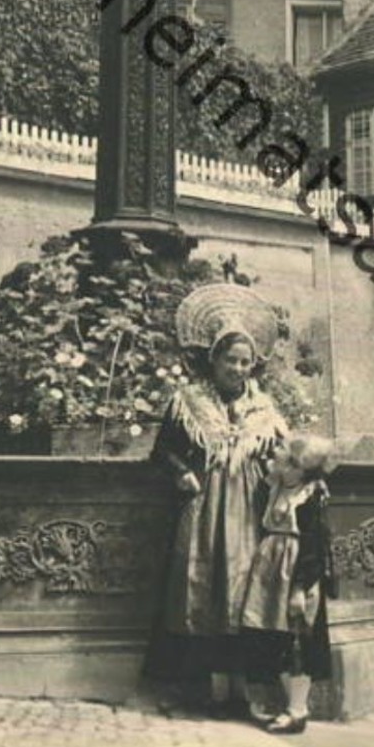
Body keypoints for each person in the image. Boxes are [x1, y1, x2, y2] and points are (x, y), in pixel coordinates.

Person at [146, 283, 288, 719]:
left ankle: (241, 693)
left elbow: (282, 456)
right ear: (214, 359)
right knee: (198, 592)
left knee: (243, 593)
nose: (239, 369)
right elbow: (162, 451)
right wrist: (181, 472)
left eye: (246, 362)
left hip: (247, 514)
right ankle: (199, 689)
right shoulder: (187, 402)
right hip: (203, 508)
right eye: (231, 360)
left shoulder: (265, 409)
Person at [241, 435, 338, 735]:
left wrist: (300, 588)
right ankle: (276, 702)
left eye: (283, 454)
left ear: (297, 468)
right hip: (269, 568)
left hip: (294, 570)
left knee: (298, 639)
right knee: (270, 635)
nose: (276, 453)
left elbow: (313, 545)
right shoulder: (276, 487)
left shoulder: (310, 496)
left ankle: (298, 710)